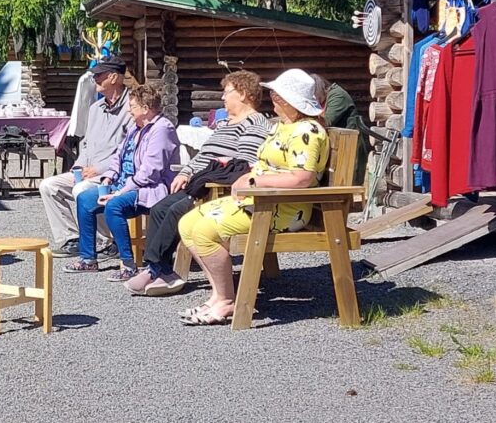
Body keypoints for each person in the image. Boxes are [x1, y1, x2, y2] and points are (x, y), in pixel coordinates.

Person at [177, 68, 329, 325]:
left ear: (289, 101)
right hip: (260, 200)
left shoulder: (307, 131)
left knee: (204, 231)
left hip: (282, 208)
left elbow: (302, 178)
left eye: (276, 96)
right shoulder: (284, 127)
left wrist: (255, 180)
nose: (272, 99)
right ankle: (218, 295)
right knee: (187, 224)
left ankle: (227, 301)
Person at [126, 70, 269, 296]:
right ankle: (159, 269)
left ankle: (157, 270)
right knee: (160, 208)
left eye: (226, 92)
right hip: (201, 182)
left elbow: (245, 163)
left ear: (243, 94)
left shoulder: (255, 122)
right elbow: (204, 155)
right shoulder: (225, 124)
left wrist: (213, 171)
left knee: (175, 211)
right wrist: (187, 171)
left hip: (219, 189)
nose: (222, 97)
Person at [64, 84, 180, 281]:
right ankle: (88, 259)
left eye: (133, 107)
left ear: (146, 109)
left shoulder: (162, 129)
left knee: (114, 206)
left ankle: (128, 265)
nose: (129, 111)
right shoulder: (135, 127)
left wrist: (121, 191)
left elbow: (151, 171)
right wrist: (108, 176)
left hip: (149, 188)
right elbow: (118, 156)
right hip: (123, 183)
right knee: (84, 199)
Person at [39, 55, 134, 258]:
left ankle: (110, 240)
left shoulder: (132, 109)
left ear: (115, 77)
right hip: (89, 171)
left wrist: (98, 170)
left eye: (100, 75)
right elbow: (87, 144)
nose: (95, 79)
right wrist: (79, 166)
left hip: (114, 174)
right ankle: (70, 238)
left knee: (83, 189)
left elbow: (130, 151)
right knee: (49, 186)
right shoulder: (95, 109)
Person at [311, 73, 367, 185]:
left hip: (348, 147)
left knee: (348, 185)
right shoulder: (327, 97)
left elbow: (326, 121)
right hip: (337, 148)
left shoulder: (337, 95)